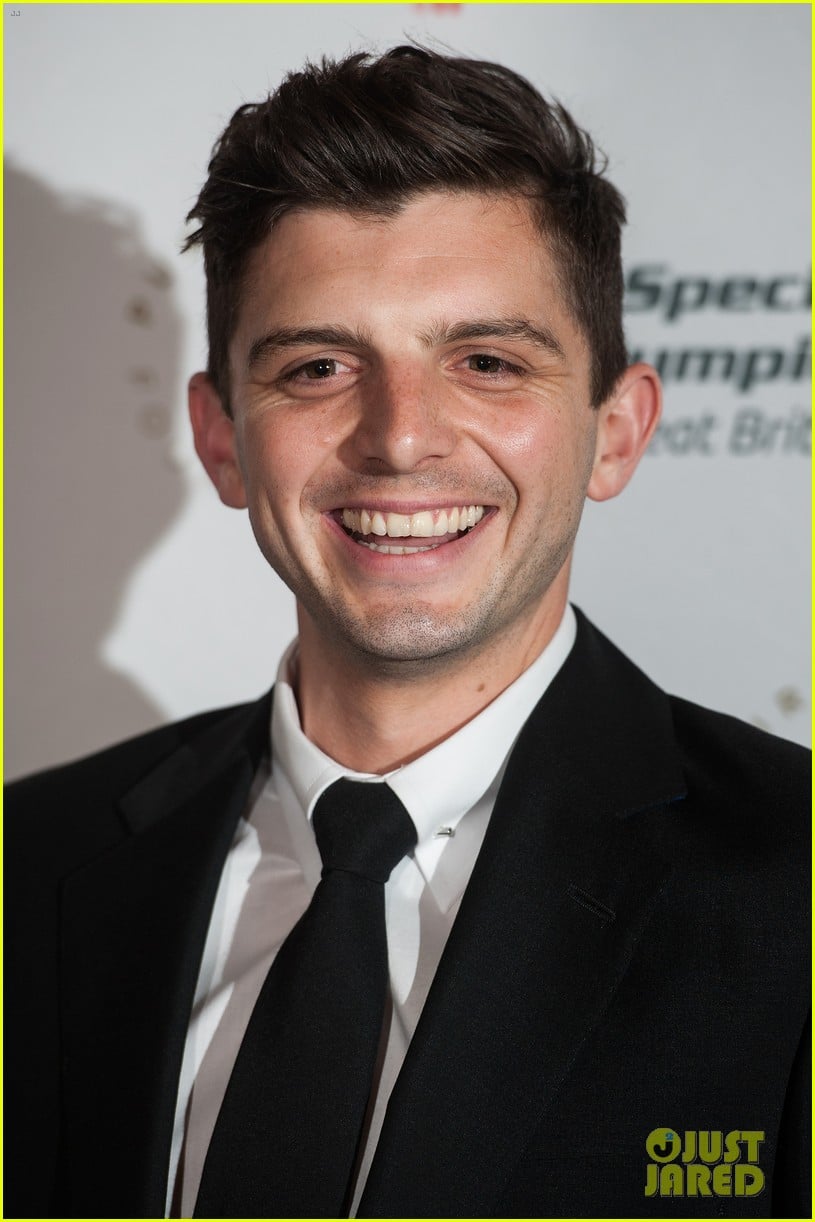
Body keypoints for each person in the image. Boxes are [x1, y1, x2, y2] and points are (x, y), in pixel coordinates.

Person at [5, 45, 809, 1221]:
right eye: (318, 366)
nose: (398, 436)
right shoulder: (27, 865)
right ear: (223, 440)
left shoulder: (792, 892)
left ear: (616, 430)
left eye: (485, 362)